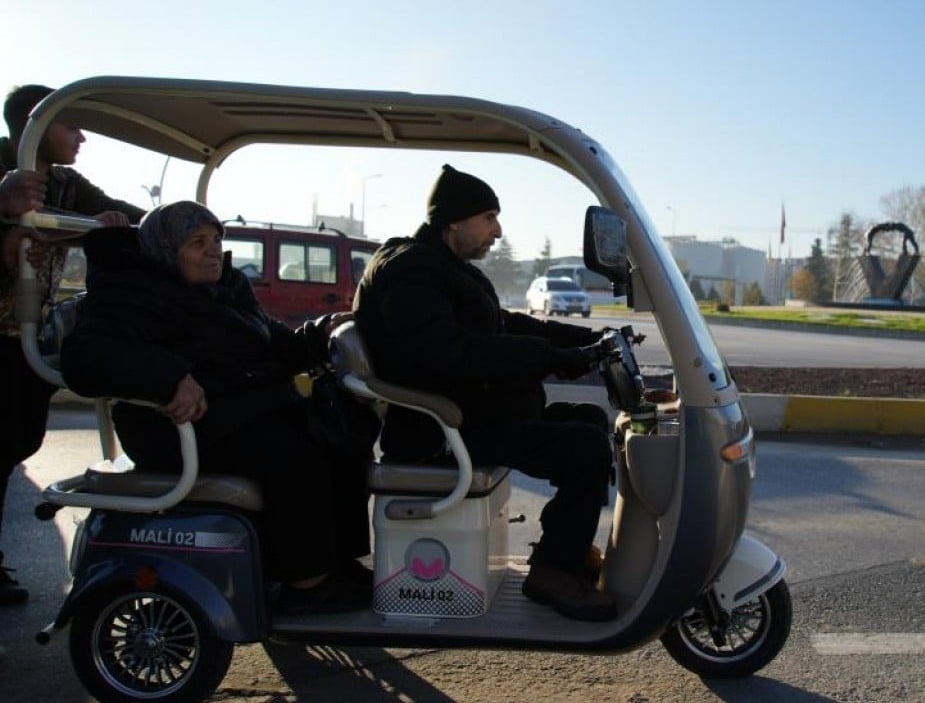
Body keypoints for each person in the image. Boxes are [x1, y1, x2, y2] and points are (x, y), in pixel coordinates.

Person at [61, 201, 372, 615]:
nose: (213, 250)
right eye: (197, 242)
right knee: (295, 453)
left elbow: (271, 343)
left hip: (235, 412)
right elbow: (88, 356)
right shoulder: (136, 290)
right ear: (166, 249)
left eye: (216, 239)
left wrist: (324, 332)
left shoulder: (225, 288)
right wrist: (167, 377)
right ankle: (306, 581)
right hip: (175, 426)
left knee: (343, 434)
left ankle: (334, 561)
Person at [354, 164, 616, 622]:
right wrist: (550, 359)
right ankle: (553, 572)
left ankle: (563, 552)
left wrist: (578, 341)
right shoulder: (411, 272)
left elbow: (501, 325)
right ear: (454, 220)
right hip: (440, 431)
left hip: (473, 417)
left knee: (590, 423)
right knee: (585, 447)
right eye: (489, 218)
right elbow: (450, 353)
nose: (497, 232)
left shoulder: (440, 267)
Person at [0, 84, 144, 606]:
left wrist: (114, 224)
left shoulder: (63, 183)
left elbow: (120, 211)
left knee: (16, 443)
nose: (81, 137)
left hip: (24, 336)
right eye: (70, 125)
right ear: (32, 126)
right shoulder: (5, 171)